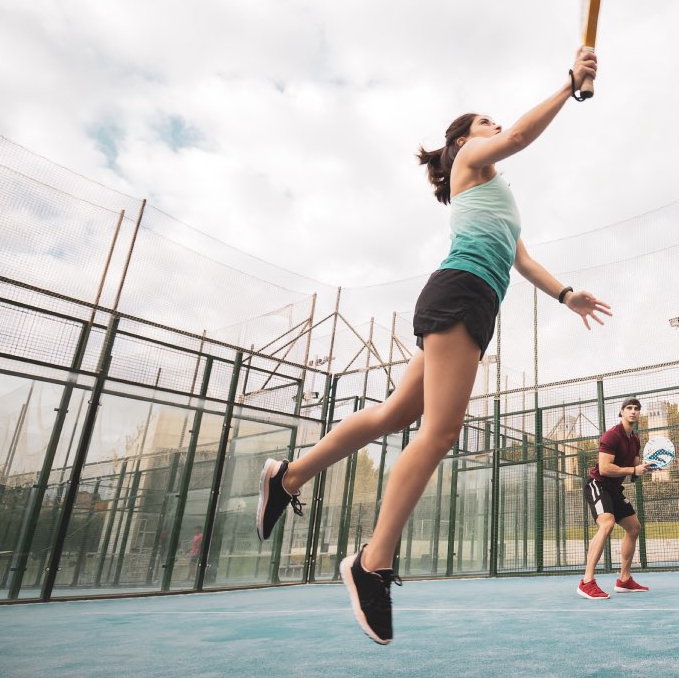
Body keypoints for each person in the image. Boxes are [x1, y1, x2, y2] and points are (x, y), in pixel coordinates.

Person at [255, 48, 610, 645]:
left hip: (469, 300)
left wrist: (566, 293)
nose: (493, 126)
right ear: (463, 140)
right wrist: (569, 86)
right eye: (483, 121)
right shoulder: (471, 160)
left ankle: (290, 474)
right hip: (460, 295)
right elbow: (522, 135)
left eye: (491, 123)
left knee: (396, 414)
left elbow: (520, 258)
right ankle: (372, 563)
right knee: (441, 432)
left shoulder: (500, 200)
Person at [578, 397, 652, 599]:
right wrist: (633, 469)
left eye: (636, 409)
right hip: (597, 484)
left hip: (614, 489)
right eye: (629, 408)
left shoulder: (634, 439)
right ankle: (586, 582)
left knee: (634, 527)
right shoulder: (611, 435)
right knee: (607, 524)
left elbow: (635, 465)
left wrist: (645, 467)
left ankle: (624, 580)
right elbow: (605, 468)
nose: (633, 411)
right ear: (621, 412)